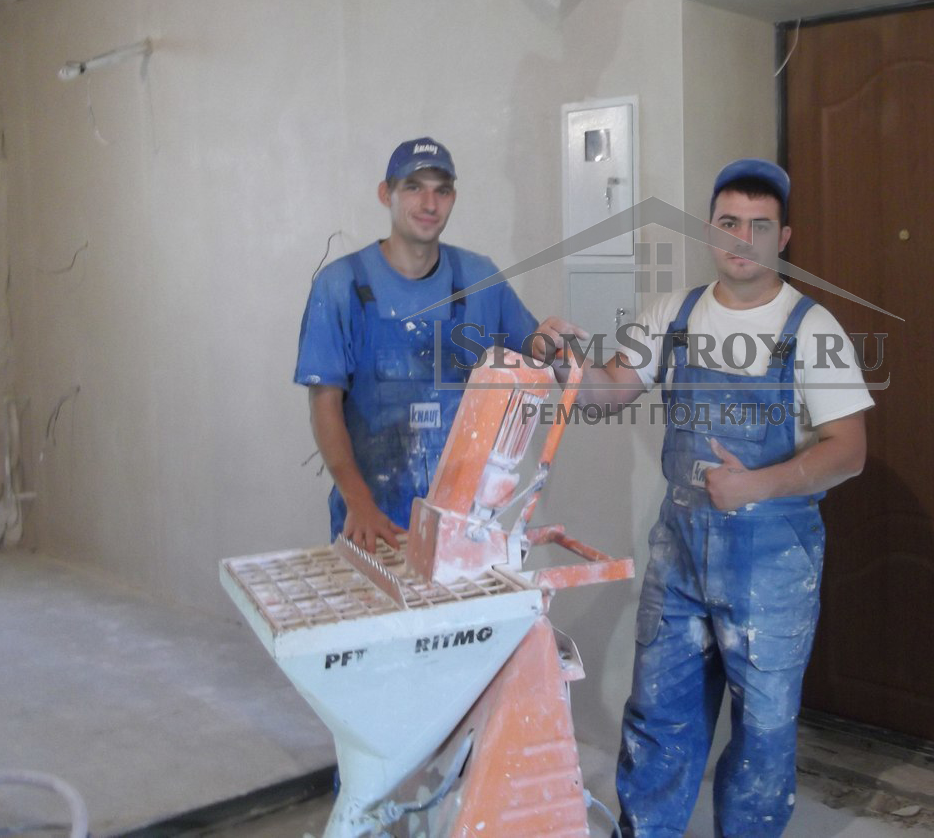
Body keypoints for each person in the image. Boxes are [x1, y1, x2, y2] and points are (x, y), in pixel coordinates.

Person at [540, 158, 874, 837]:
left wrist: (758, 484)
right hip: (682, 557)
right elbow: (611, 393)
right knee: (659, 718)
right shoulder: (674, 314)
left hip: (772, 562)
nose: (741, 239)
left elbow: (849, 449)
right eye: (729, 222)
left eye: (759, 225)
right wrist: (565, 361)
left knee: (762, 735)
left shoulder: (813, 328)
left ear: (783, 237)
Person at [294, 137, 542, 550]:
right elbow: (324, 405)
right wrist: (360, 504)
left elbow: (541, 354)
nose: (429, 204)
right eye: (414, 187)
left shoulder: (480, 279)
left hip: (465, 527)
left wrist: (556, 344)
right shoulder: (341, 286)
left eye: (441, 191)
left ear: (453, 198)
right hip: (373, 523)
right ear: (385, 194)